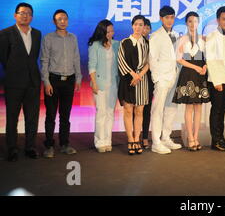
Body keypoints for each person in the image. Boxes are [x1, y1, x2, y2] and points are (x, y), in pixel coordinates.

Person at [0, 3, 42, 162]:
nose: (25, 16)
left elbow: (34, 57)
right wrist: (15, 70)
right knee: (12, 117)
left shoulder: (37, 34)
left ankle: (30, 147)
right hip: (14, 82)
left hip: (33, 82)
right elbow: (4, 58)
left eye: (29, 13)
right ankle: (12, 149)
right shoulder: (5, 34)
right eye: (22, 13)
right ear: (15, 15)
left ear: (32, 17)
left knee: (32, 117)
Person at [41, 9, 81, 158]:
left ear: (68, 20)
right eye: (59, 19)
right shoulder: (48, 38)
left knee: (65, 115)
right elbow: (44, 61)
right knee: (51, 115)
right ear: (54, 22)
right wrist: (46, 82)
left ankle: (64, 144)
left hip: (69, 80)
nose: (62, 21)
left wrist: (78, 79)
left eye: (65, 18)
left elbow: (76, 58)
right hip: (53, 80)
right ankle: (49, 145)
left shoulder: (73, 38)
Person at [172, 12, 210, 151]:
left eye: (195, 21)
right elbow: (179, 59)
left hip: (200, 75)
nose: (193, 24)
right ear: (186, 23)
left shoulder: (202, 39)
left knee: (198, 107)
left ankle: (196, 136)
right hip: (188, 74)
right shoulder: (181, 39)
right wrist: (196, 67)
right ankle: (190, 138)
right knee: (189, 107)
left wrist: (205, 66)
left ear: (198, 23)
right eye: (190, 21)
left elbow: (206, 58)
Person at [149, 6, 182, 154]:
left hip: (174, 76)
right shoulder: (156, 36)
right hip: (162, 78)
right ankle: (156, 142)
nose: (170, 20)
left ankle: (166, 137)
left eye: (172, 17)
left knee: (171, 109)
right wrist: (157, 79)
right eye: (167, 17)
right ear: (161, 19)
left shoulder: (175, 35)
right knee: (158, 111)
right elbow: (152, 59)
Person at [205, 6, 225, 151]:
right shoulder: (212, 36)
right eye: (223, 19)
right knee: (216, 109)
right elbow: (210, 60)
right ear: (218, 20)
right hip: (216, 79)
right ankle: (215, 140)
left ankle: (221, 137)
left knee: (223, 109)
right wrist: (217, 81)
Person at [118, 15, 150, 155]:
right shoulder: (124, 42)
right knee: (128, 110)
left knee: (139, 111)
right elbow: (121, 61)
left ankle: (137, 139)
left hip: (142, 80)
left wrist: (140, 75)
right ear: (132, 25)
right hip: (128, 80)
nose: (138, 27)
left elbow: (150, 62)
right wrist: (133, 75)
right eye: (136, 24)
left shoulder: (147, 43)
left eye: (141, 24)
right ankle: (130, 139)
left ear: (144, 27)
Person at [88, 19, 120, 153]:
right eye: (108, 31)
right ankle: (99, 141)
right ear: (102, 31)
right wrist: (94, 83)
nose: (111, 33)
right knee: (101, 112)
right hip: (99, 84)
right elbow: (92, 66)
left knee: (110, 113)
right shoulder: (95, 45)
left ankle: (108, 140)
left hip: (113, 84)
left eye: (112, 31)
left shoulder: (116, 44)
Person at [141, 18, 154, 150]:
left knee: (146, 109)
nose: (144, 29)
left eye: (147, 27)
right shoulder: (131, 42)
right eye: (142, 26)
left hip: (149, 79)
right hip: (136, 79)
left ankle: (145, 137)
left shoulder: (152, 44)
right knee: (135, 109)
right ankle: (134, 135)